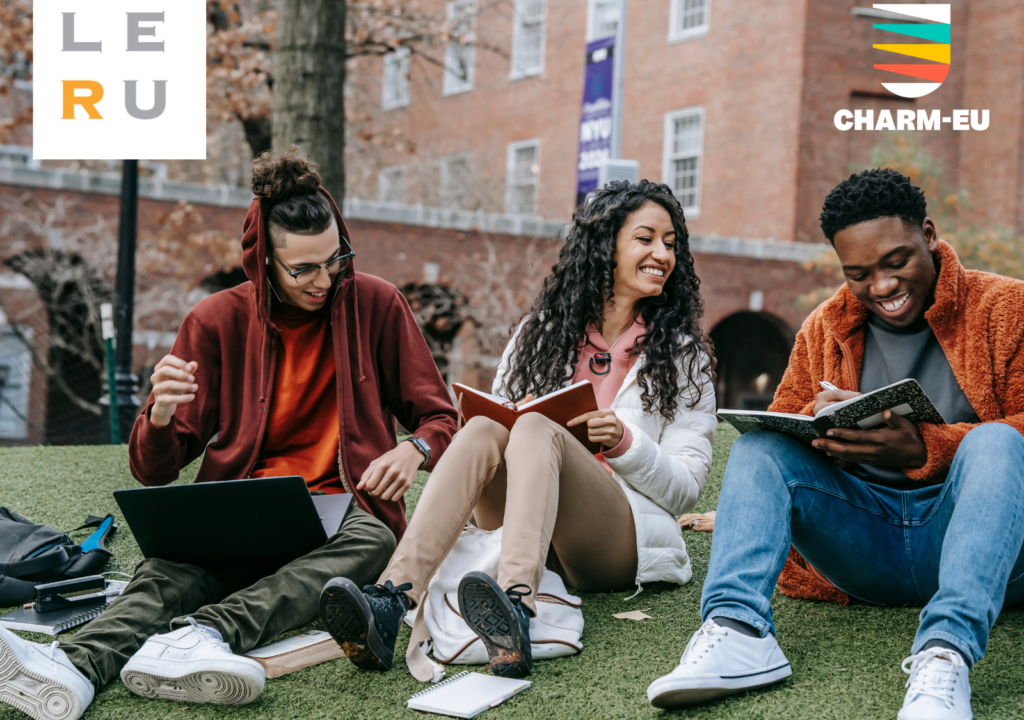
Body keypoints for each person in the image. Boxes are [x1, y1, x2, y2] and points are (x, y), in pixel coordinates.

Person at [0, 149, 458, 720]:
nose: (326, 279)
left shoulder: (377, 303)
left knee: (376, 543)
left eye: (335, 259)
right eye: (304, 269)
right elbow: (156, 469)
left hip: (341, 512)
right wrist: (160, 416)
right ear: (264, 260)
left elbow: (442, 418)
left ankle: (203, 637)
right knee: (168, 571)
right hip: (241, 506)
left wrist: (412, 448)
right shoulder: (215, 320)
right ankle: (71, 669)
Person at [647, 168, 1024, 720]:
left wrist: (927, 449)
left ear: (930, 232)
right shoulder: (825, 326)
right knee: (761, 449)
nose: (883, 287)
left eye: (897, 262)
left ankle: (945, 655)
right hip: (865, 543)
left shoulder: (1007, 309)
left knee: (996, 441)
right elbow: (781, 427)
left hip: (984, 548)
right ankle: (737, 629)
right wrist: (816, 422)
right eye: (859, 274)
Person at [316, 179, 718, 682]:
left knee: (536, 430)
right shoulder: (540, 333)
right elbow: (499, 430)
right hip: (523, 523)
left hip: (613, 540)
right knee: (488, 425)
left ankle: (515, 607)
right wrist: (514, 415)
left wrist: (623, 442)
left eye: (670, 243)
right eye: (645, 238)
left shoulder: (682, 356)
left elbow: (684, 490)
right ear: (605, 246)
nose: (662, 253)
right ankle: (391, 599)